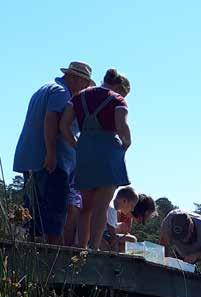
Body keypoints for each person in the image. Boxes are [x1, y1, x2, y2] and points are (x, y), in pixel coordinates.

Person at [13, 61, 94, 244]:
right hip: (48, 162)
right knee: (55, 211)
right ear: (74, 77)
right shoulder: (61, 93)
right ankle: (51, 258)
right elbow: (51, 120)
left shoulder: (46, 88)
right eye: (84, 83)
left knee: (34, 212)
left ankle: (34, 249)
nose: (84, 88)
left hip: (31, 157)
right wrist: (51, 154)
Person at [60, 68, 132, 250]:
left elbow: (64, 125)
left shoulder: (78, 97)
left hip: (85, 152)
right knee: (101, 207)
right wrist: (125, 145)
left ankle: (82, 247)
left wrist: (76, 145)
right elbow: (122, 128)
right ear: (119, 87)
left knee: (86, 208)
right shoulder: (117, 100)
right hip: (108, 154)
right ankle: (94, 249)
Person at [160, 209, 201, 280]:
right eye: (179, 237)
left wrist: (197, 255)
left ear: (191, 228)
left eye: (184, 236)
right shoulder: (168, 223)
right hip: (183, 252)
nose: (182, 240)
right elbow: (164, 245)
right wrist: (164, 264)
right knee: (177, 274)